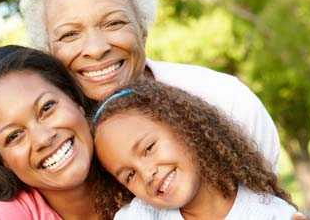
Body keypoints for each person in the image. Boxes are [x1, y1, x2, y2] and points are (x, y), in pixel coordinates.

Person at [0, 0, 309, 220]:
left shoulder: (223, 101)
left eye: (114, 22)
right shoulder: (59, 146)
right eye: (69, 34)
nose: (95, 48)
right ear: (49, 53)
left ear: (143, 27)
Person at [92, 79, 297, 219]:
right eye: (129, 175)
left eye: (149, 148)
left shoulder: (270, 213)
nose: (147, 174)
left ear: (182, 125)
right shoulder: (137, 217)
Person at [0, 45, 103, 219]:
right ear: (1, 159)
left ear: (75, 100)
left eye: (47, 107)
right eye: (14, 136)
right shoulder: (7, 215)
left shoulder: (137, 164)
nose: (42, 139)